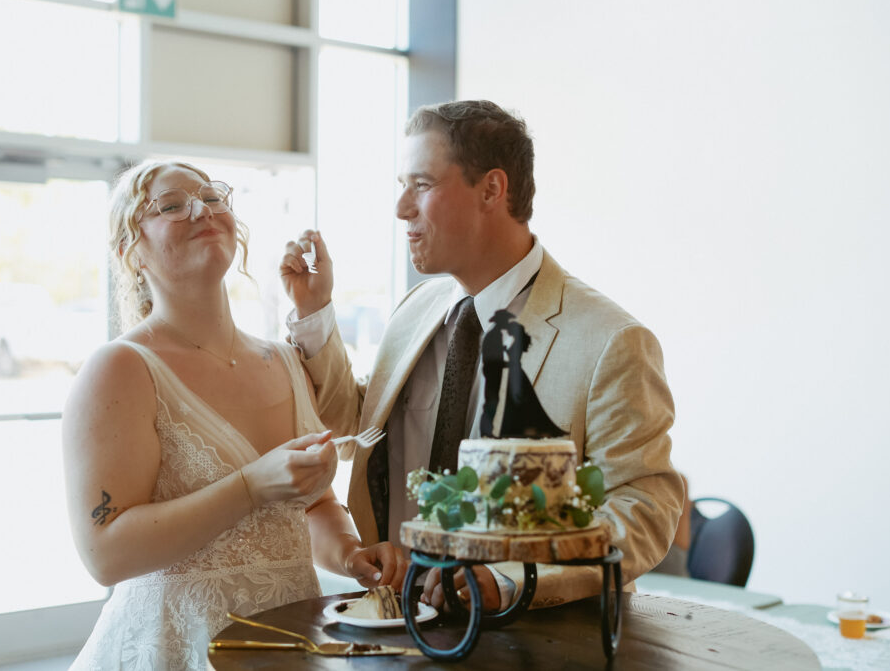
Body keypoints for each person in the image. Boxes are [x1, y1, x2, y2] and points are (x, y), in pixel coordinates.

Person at [281, 100, 685, 612]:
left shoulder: (612, 341)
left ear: (492, 189)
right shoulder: (415, 310)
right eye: (401, 185)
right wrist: (315, 315)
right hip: (399, 622)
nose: (401, 208)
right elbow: (360, 430)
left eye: (421, 184)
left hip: (539, 635)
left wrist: (511, 581)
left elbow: (643, 509)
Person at [63, 159, 394, 670]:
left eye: (212, 197)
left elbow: (313, 506)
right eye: (172, 206)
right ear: (132, 252)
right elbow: (104, 555)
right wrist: (250, 487)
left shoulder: (284, 361)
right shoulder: (121, 369)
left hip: (287, 644)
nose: (202, 210)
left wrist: (351, 553)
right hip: (177, 649)